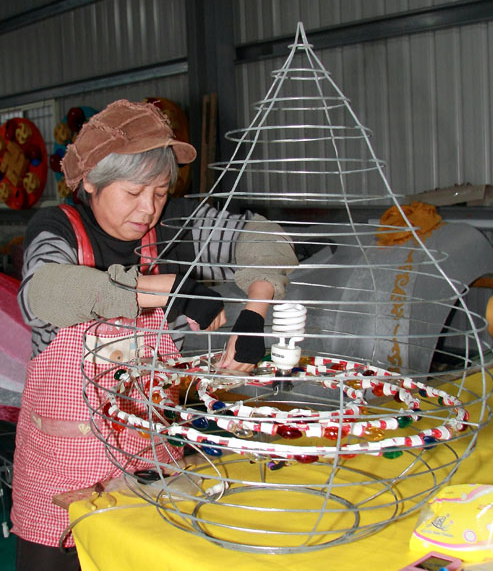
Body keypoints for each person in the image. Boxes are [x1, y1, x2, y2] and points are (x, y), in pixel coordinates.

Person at [11, 99, 298, 570]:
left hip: (152, 463)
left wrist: (254, 313)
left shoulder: (174, 226)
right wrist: (171, 292)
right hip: (62, 471)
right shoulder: (58, 229)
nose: (148, 209)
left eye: (160, 192)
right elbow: (44, 294)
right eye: (133, 192)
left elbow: (264, 237)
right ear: (90, 182)